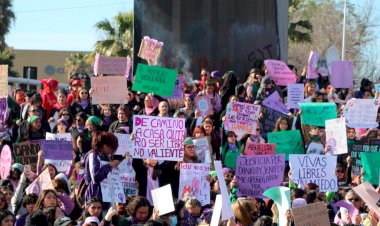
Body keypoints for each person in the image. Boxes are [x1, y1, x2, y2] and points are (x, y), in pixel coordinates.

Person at [83, 131, 120, 205]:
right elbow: (96, 177)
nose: (112, 150)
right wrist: (109, 166)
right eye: (111, 147)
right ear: (103, 145)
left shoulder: (105, 156)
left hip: (107, 196)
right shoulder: (93, 155)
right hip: (95, 197)